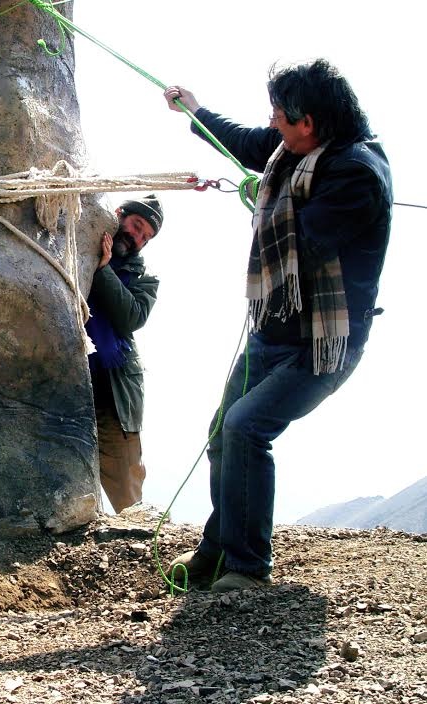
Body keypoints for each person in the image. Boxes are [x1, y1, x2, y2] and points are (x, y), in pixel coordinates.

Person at [162, 59, 393, 593]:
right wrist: (194, 111)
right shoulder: (296, 151)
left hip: (323, 341)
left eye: (280, 118)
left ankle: (247, 566)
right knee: (226, 433)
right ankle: (217, 554)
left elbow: (307, 241)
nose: (272, 125)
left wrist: (263, 206)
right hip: (275, 329)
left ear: (307, 122)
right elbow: (249, 143)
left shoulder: (358, 173)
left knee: (246, 428)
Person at [86, 195, 162, 512]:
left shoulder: (146, 280)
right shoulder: (81, 244)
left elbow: (131, 317)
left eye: (145, 237)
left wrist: (103, 271)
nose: (138, 239)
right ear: (119, 216)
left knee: (126, 488)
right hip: (71, 377)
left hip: (115, 390)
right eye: (137, 226)